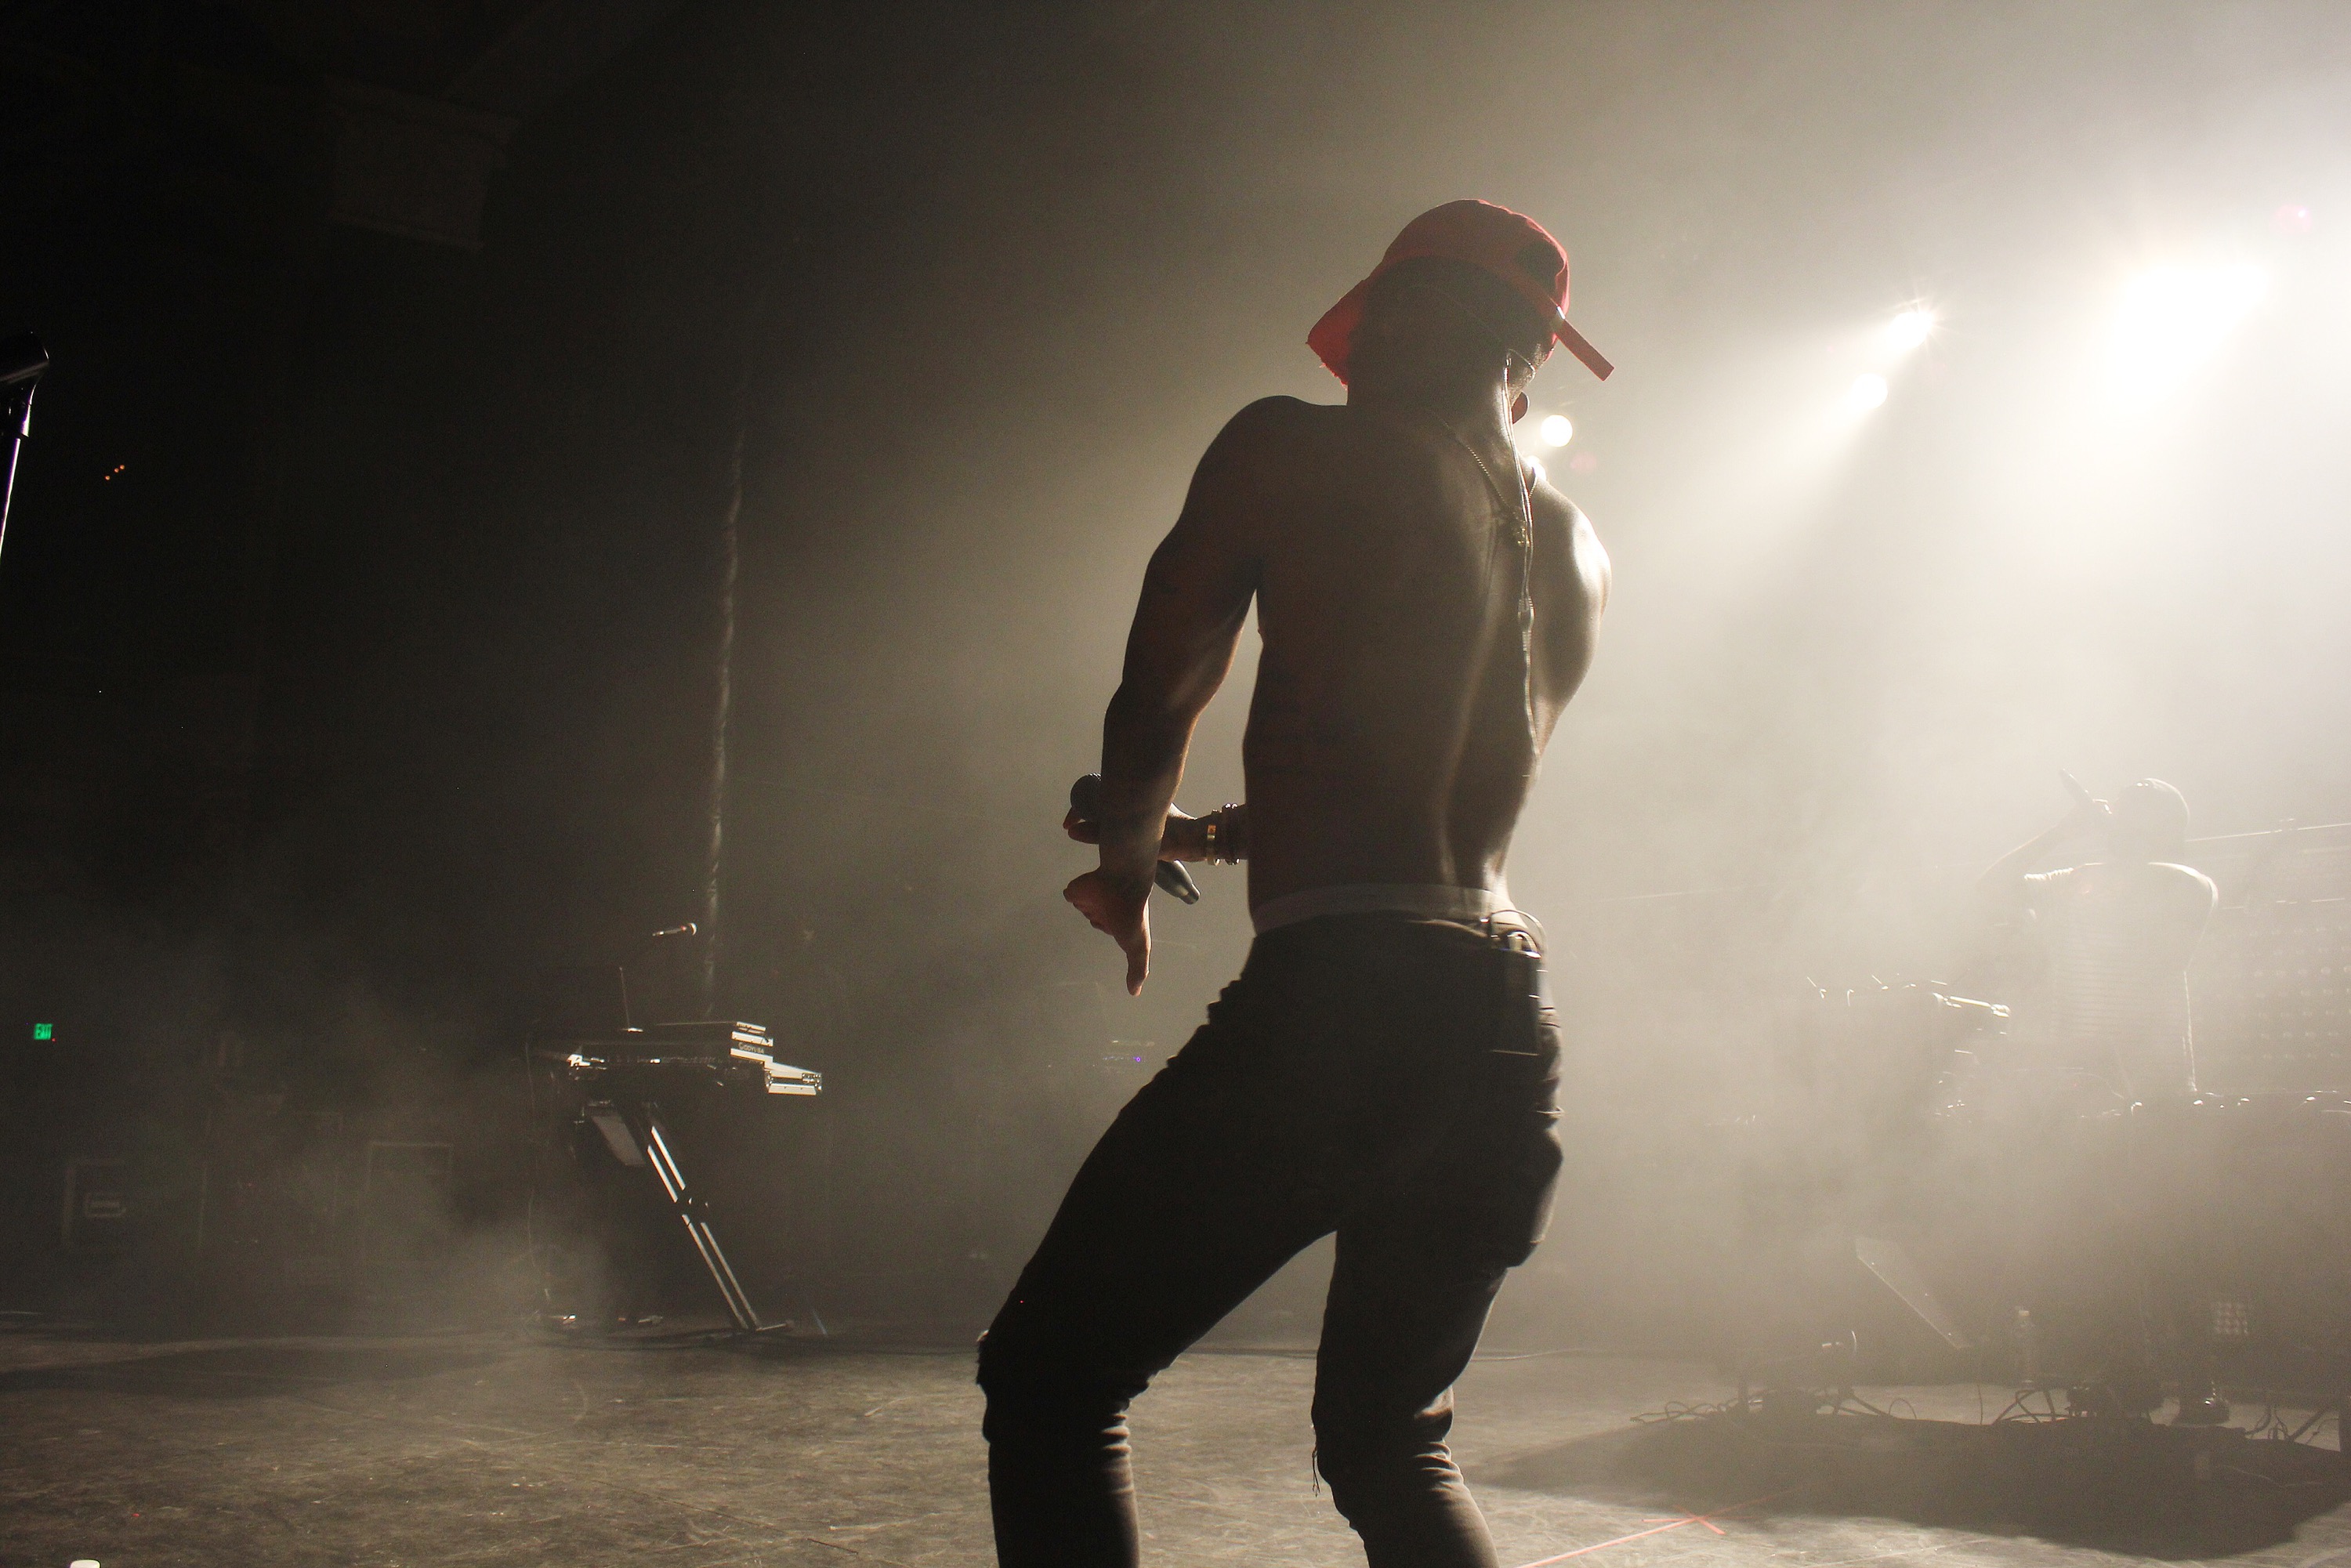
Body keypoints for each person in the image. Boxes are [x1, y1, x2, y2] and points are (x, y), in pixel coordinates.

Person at [976, 200, 1613, 1567]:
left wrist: (1127, 856)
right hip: (1506, 1025)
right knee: (1392, 1443)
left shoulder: (1289, 447)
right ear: (1528, 358)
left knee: (1049, 1380)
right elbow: (1416, 787)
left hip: (1347, 1006)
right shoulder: (1576, 549)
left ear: (1400, 314)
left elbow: (1157, 692)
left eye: (1375, 318)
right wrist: (1202, 836)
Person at [1975, 778, 2217, 1102]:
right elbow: (1990, 888)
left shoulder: (2191, 884)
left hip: (2153, 1078)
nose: (2117, 819)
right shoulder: (2075, 879)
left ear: (2165, 829)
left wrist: (2123, 838)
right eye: (2120, 810)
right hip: (2079, 1072)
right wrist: (2059, 833)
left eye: (2134, 814)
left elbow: (2158, 888)